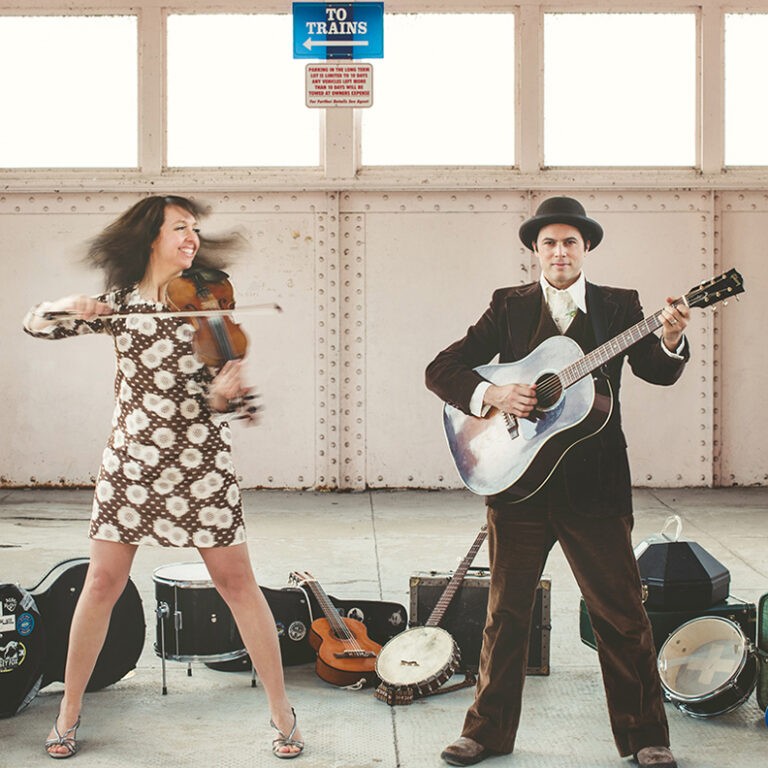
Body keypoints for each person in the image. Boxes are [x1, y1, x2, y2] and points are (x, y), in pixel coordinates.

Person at [23, 195, 304, 760]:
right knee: (101, 584)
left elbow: (226, 402)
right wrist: (67, 304)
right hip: (131, 464)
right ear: (151, 237)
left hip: (201, 466)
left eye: (194, 228)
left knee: (238, 585)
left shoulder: (209, 305)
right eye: (180, 227)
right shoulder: (120, 305)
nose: (191, 237)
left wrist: (223, 396)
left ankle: (282, 713)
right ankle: (69, 711)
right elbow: (36, 325)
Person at [425, 196, 689, 768]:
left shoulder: (620, 305)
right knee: (505, 615)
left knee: (621, 615)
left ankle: (645, 737)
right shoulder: (509, 305)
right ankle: (486, 732)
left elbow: (655, 370)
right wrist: (494, 393)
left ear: (585, 247)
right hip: (517, 486)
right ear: (536, 251)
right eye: (549, 242)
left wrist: (670, 339)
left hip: (596, 488)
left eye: (570, 241)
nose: (560, 251)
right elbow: (441, 369)